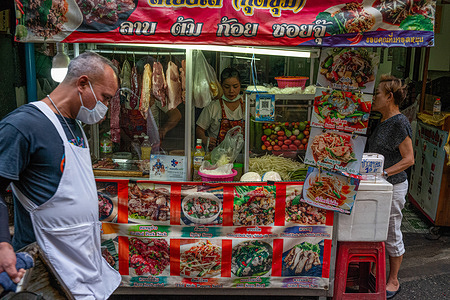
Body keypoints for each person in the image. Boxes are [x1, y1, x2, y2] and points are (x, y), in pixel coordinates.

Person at [0, 51, 122, 299]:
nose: (106, 108)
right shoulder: (23, 125)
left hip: (80, 260)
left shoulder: (74, 125)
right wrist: (2, 243)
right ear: (83, 83)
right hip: (45, 262)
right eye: (105, 98)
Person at [366, 74, 415, 299]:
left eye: (377, 93)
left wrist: (383, 172)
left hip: (393, 186)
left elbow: (409, 159)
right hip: (380, 186)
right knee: (377, 230)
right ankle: (377, 270)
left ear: (389, 96)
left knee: (391, 232)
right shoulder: (382, 119)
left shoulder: (399, 122)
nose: (374, 96)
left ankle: (393, 280)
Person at [196, 67, 244, 150]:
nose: (231, 90)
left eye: (235, 86)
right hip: (217, 156)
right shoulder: (213, 106)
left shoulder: (247, 105)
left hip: (241, 155)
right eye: (227, 86)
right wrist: (204, 139)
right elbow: (199, 129)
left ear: (240, 85)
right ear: (221, 85)